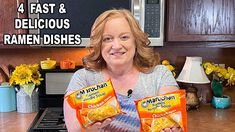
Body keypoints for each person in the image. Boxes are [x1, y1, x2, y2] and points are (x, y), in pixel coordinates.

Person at [64, 9, 181, 132]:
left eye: (124, 37)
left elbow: (172, 121)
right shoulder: (83, 78)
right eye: (107, 39)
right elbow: (74, 129)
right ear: (98, 44)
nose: (117, 46)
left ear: (136, 41)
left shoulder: (160, 75)